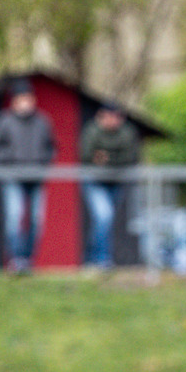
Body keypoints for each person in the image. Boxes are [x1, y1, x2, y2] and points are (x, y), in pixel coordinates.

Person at [0, 80, 55, 273]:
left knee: (37, 220)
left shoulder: (42, 121)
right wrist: (12, 158)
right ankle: (16, 260)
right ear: (14, 101)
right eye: (21, 99)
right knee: (14, 217)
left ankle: (28, 260)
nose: (25, 103)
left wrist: (42, 162)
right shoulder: (5, 121)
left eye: (28, 98)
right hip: (12, 176)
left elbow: (51, 147)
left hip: (36, 177)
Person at [79, 105, 140, 269]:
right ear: (101, 116)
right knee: (104, 217)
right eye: (108, 116)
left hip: (116, 181)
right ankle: (100, 259)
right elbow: (86, 155)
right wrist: (107, 158)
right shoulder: (92, 130)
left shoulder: (127, 133)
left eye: (115, 117)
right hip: (94, 181)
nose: (112, 120)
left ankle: (96, 259)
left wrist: (105, 158)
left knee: (107, 220)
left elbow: (129, 157)